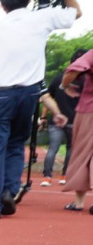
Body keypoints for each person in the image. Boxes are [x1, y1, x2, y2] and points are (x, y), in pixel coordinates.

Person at [0, 0, 81, 220]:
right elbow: (75, 13)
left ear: (3, 6)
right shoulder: (42, 18)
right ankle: (10, 191)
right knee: (16, 144)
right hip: (30, 93)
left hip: (0, 93)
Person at [42, 48, 86, 186]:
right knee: (70, 149)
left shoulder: (58, 78)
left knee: (52, 148)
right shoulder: (85, 81)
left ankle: (47, 177)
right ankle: (64, 175)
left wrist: (43, 117)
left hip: (56, 119)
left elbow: (48, 97)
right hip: (75, 120)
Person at [60, 47, 93, 213]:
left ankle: (79, 202)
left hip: (89, 110)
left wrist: (65, 85)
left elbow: (73, 69)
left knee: (82, 153)